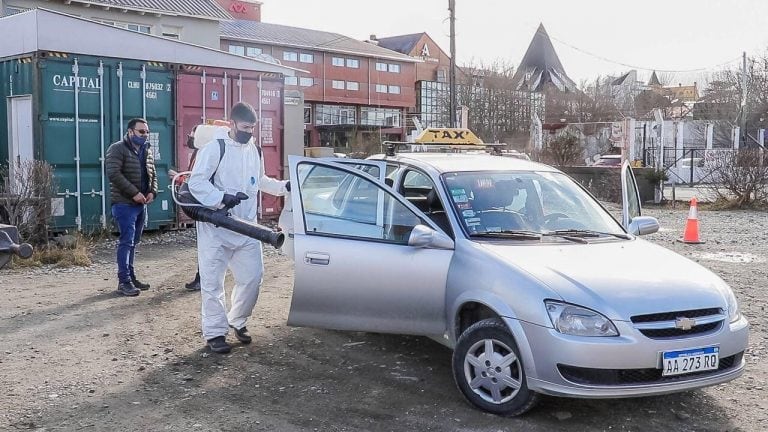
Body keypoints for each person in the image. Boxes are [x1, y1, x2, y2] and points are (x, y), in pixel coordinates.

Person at [188, 102, 288, 354]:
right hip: (216, 228)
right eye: (245, 127)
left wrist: (283, 187)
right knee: (212, 284)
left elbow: (261, 179)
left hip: (247, 229)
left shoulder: (254, 150)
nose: (249, 132)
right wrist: (222, 198)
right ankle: (215, 334)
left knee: (253, 278)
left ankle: (238, 321)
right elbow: (196, 182)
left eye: (252, 128)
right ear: (232, 124)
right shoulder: (215, 148)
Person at [106, 118, 157, 297]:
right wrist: (134, 192)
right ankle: (124, 281)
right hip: (124, 204)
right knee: (126, 242)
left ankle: (131, 276)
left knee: (134, 243)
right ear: (130, 132)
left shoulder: (146, 150)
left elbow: (153, 173)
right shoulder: (117, 148)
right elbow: (113, 173)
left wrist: (152, 191)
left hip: (140, 204)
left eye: (146, 132)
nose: (144, 135)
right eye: (141, 131)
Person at [168, 128, 202, 291]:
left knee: (209, 247)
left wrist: (179, 178)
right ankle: (202, 277)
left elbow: (197, 181)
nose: (189, 138)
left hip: (204, 207)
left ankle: (203, 279)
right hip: (201, 206)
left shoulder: (203, 155)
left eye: (192, 136)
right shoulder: (198, 153)